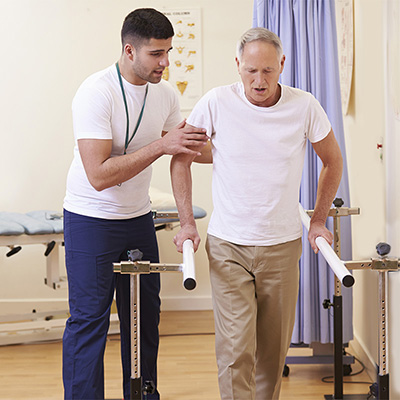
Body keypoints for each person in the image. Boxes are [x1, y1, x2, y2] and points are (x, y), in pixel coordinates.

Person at [170, 27, 343, 400]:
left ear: (282, 65)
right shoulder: (216, 102)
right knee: (235, 352)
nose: (259, 81)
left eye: (267, 70)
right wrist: (186, 222)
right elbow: (181, 159)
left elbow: (333, 161)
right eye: (250, 71)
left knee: (271, 354)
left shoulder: (304, 106)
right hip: (229, 244)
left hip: (282, 247)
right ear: (237, 65)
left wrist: (317, 222)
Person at [62, 8, 207, 400]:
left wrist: (247, 143)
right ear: (130, 50)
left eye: (168, 52)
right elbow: (100, 174)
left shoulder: (165, 94)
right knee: (90, 321)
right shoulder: (97, 92)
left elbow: (185, 154)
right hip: (90, 218)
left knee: (144, 318)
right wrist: (162, 144)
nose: (165, 62)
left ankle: (143, 396)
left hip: (137, 218)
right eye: (156, 54)